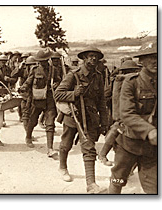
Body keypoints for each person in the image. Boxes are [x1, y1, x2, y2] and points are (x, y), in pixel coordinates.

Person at [54, 46, 108, 193]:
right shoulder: (74, 75)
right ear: (84, 58)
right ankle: (63, 167)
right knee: (66, 144)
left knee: (89, 148)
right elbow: (58, 94)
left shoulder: (98, 76)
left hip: (89, 118)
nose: (93, 59)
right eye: (90, 56)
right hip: (73, 116)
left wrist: (104, 122)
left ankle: (91, 184)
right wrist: (74, 93)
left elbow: (101, 102)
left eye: (96, 56)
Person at [108, 42, 157, 194]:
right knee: (118, 180)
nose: (156, 61)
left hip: (151, 147)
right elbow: (127, 114)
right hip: (128, 143)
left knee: (153, 187)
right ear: (141, 61)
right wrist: (149, 130)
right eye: (150, 58)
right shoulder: (131, 83)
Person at [98, 60, 141, 166]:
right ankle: (104, 155)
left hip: (123, 112)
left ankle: (107, 156)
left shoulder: (117, 80)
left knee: (118, 132)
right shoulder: (124, 80)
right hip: (125, 112)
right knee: (118, 131)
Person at [19, 49, 60, 158]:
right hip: (36, 100)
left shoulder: (54, 70)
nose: (43, 63)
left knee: (50, 123)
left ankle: (50, 148)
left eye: (45, 60)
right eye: (41, 61)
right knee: (33, 120)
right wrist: (23, 87)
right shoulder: (35, 70)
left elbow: (59, 81)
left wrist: (56, 84)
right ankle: (28, 136)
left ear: (48, 59)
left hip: (49, 100)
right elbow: (29, 81)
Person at [11, 55, 37, 130]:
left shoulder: (36, 70)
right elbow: (13, 75)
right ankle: (27, 133)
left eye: (33, 64)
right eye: (30, 65)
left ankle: (29, 130)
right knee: (25, 112)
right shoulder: (23, 69)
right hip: (24, 93)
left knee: (32, 113)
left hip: (33, 93)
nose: (31, 66)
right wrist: (19, 68)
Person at [0, 54, 18, 127]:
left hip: (5, 88)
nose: (3, 62)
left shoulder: (8, 69)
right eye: (1, 61)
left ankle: (2, 120)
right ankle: (0, 120)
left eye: (4, 61)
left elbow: (14, 79)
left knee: (3, 104)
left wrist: (9, 79)